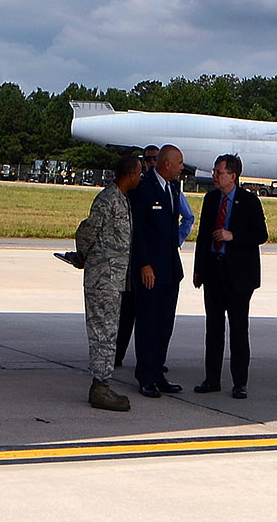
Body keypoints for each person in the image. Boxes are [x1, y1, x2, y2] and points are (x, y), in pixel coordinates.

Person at [192, 153, 267, 398]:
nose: (215, 176)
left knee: (238, 329)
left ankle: (239, 382)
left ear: (232, 176)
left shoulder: (249, 201)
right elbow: (203, 237)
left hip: (239, 276)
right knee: (213, 329)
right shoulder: (211, 199)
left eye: (219, 172)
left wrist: (232, 236)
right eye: (214, 172)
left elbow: (260, 235)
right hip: (214, 272)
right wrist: (198, 269)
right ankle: (211, 378)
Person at [81, 153, 145, 410]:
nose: (140, 177)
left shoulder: (122, 200)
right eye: (139, 173)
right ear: (130, 175)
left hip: (114, 280)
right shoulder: (108, 199)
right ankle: (100, 387)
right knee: (102, 334)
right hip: (102, 279)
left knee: (109, 333)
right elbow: (88, 230)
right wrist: (84, 255)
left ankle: (102, 384)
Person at [129, 143, 187, 397]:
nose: (182, 168)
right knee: (148, 322)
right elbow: (138, 230)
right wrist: (144, 263)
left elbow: (175, 228)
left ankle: (158, 372)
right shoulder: (143, 189)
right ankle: (145, 375)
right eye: (179, 163)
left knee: (165, 323)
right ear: (166, 164)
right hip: (150, 269)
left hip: (170, 268)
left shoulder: (173, 187)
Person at [114, 145, 161, 372]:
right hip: (130, 264)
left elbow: (186, 217)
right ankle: (115, 355)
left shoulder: (167, 188)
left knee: (147, 317)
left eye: (154, 159)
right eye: (147, 159)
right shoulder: (134, 191)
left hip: (147, 263)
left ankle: (150, 362)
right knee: (125, 315)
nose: (150, 163)